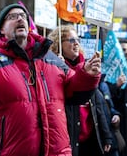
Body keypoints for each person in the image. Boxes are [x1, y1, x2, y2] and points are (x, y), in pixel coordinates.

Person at [0, 3, 101, 156]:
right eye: (13, 17)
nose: (20, 19)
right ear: (2, 29)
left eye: (23, 16)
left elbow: (75, 93)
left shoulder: (51, 59)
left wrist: (87, 75)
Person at [48, 25, 113, 156]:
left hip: (89, 139)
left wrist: (106, 136)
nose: (76, 43)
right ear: (58, 44)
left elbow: (97, 105)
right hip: (68, 138)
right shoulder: (50, 68)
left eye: (77, 39)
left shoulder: (86, 68)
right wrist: (56, 68)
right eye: (71, 40)